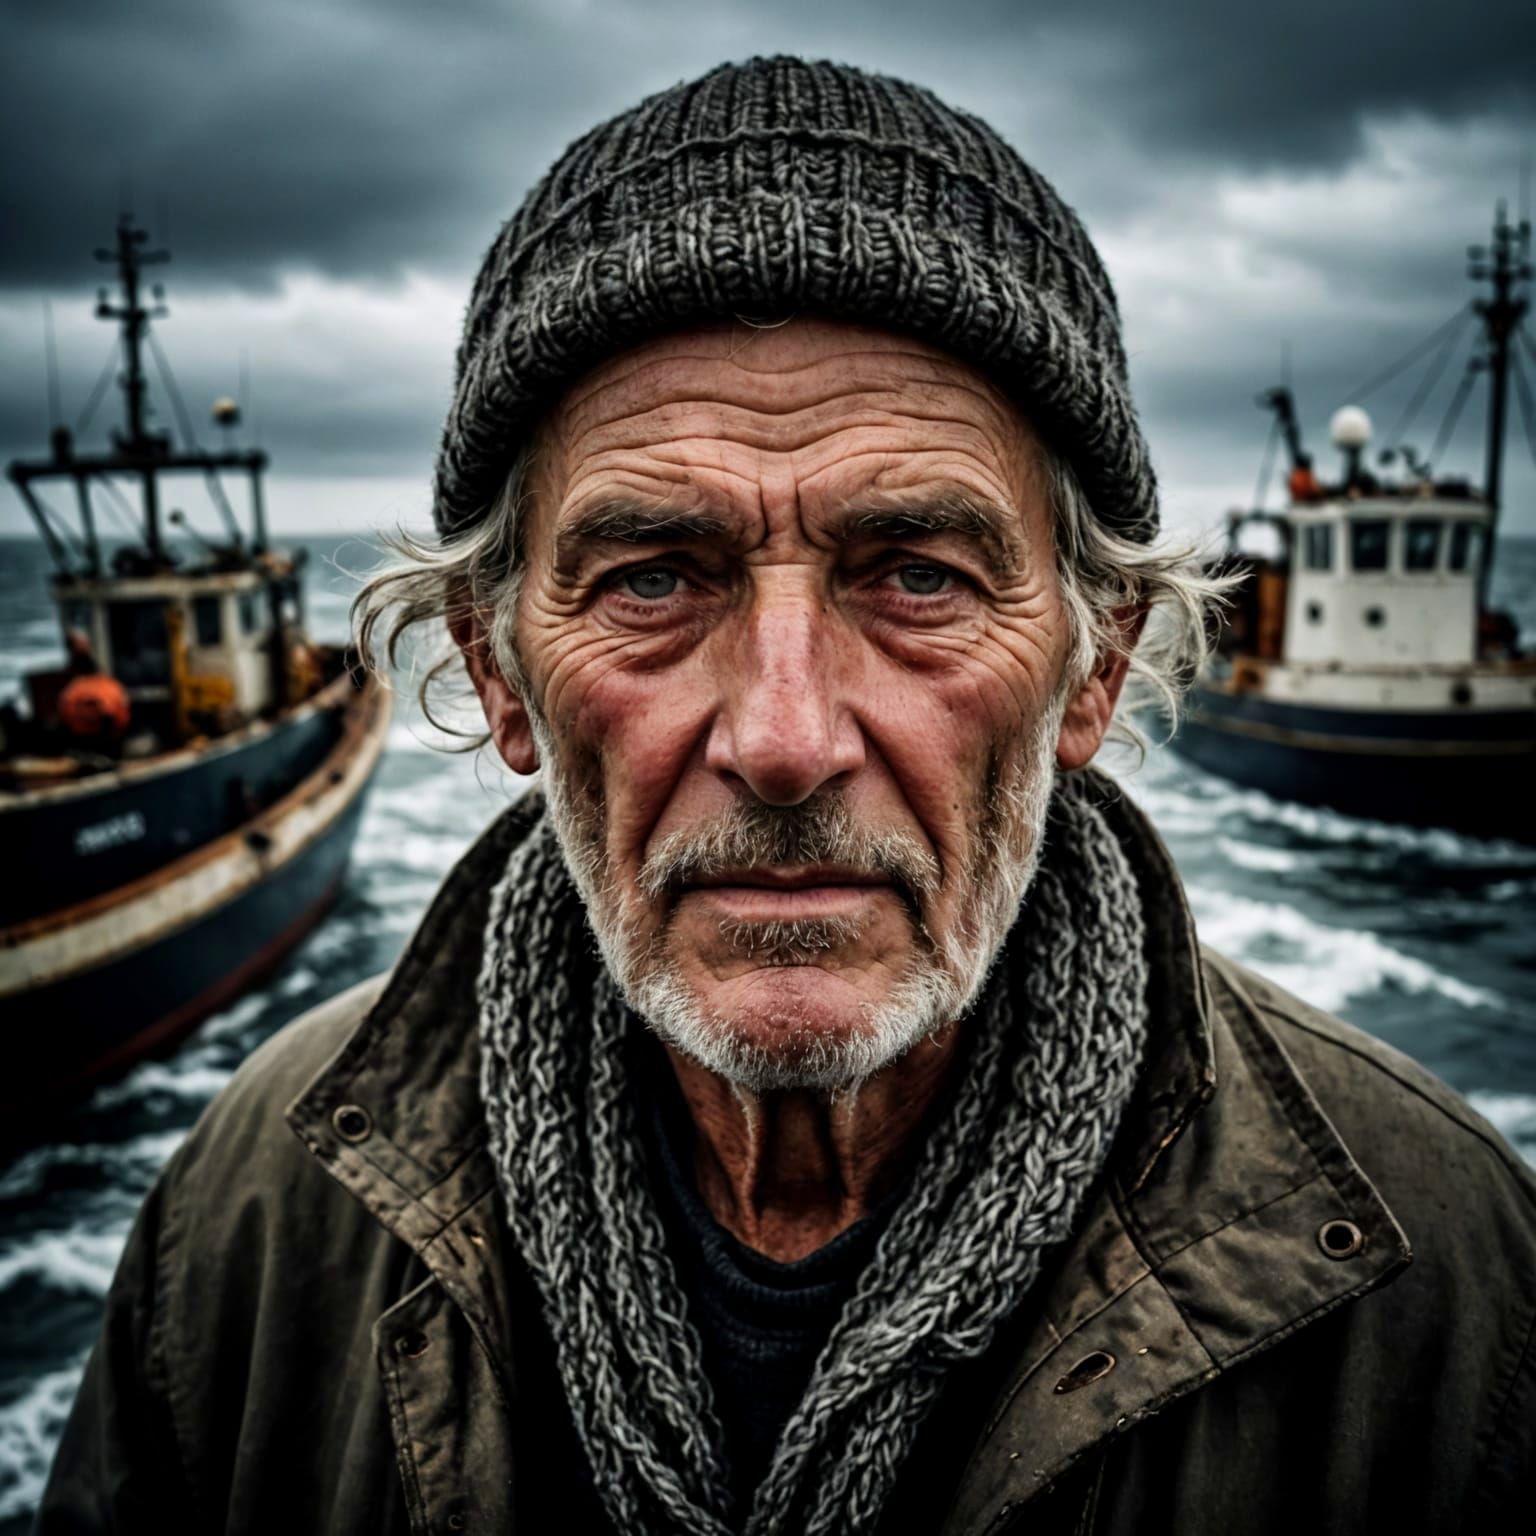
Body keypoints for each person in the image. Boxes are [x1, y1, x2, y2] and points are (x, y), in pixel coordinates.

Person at [37, 57, 1535, 1536]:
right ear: (499, 674)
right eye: (653, 579)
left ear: (1092, 667)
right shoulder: (251, 1220)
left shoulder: (1450, 1288)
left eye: (918, 576)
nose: (784, 736)